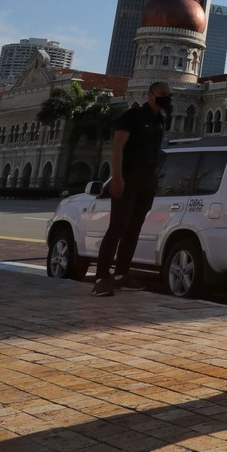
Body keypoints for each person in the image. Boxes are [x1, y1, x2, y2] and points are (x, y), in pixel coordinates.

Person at [92, 81, 172, 297]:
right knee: (118, 226)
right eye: (162, 94)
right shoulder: (132, 116)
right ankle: (101, 278)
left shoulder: (160, 120)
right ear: (150, 95)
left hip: (147, 179)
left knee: (134, 228)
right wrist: (117, 177)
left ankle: (121, 274)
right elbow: (117, 146)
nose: (167, 98)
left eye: (169, 95)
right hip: (128, 176)